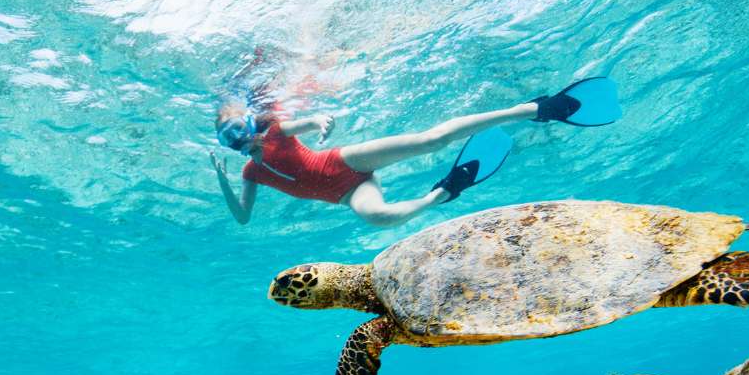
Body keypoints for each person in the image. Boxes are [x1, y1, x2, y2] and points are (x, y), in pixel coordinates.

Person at [210, 78, 616, 227]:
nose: (239, 140)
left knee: (430, 140)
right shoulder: (249, 174)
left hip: (346, 161)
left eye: (238, 129)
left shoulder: (277, 132)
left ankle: (534, 109)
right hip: (347, 194)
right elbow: (242, 218)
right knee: (380, 219)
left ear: (249, 123)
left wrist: (321, 123)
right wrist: (224, 181)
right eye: (229, 138)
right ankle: (443, 192)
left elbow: (312, 121)